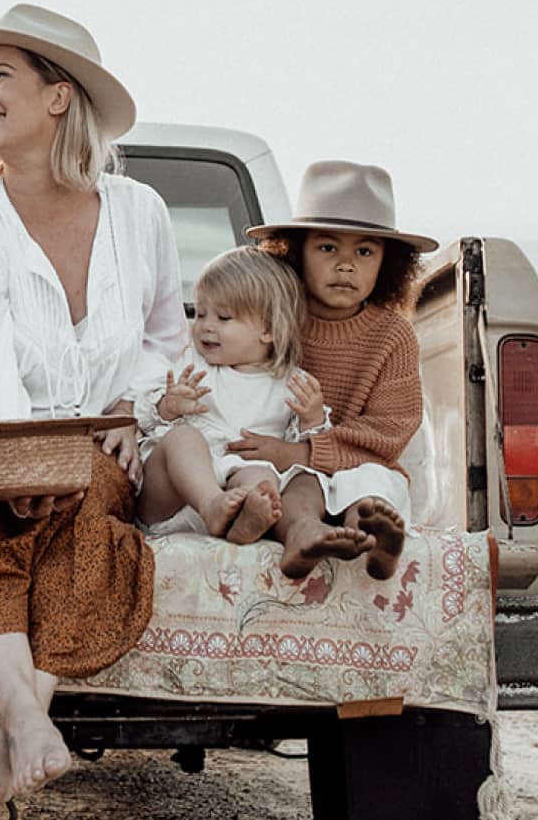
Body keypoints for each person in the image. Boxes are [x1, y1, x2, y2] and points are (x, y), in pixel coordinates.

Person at [0, 3, 188, 809]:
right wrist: (13, 465)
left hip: (101, 448)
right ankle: (25, 712)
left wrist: (132, 406)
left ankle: (12, 726)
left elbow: (168, 336)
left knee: (92, 504)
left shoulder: (141, 211)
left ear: (58, 96)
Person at [240, 161, 436, 583]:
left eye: (364, 252)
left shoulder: (393, 334)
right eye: (328, 248)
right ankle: (303, 535)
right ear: (295, 251)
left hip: (359, 466)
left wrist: (307, 452)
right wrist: (295, 458)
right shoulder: (275, 319)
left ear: (389, 264)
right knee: (294, 485)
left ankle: (373, 536)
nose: (345, 265)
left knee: (375, 483)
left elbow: (389, 431)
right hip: (287, 469)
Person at [135, 245, 324, 542]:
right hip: (175, 500)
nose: (205, 327)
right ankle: (212, 505)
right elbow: (142, 419)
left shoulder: (293, 384)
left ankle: (247, 518)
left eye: (223, 317)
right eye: (200, 314)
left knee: (263, 475)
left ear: (269, 330)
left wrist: (312, 419)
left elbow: (308, 449)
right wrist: (168, 406)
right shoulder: (189, 363)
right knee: (182, 438)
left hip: (235, 496)